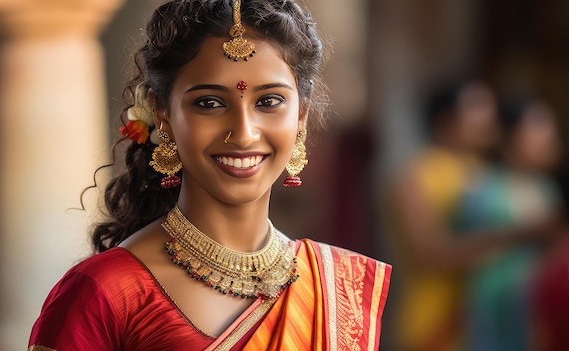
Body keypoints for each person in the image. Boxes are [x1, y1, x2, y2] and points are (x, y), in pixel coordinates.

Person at [28, 0, 391, 350]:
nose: (245, 133)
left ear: (301, 116)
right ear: (163, 114)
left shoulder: (337, 289)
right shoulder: (105, 292)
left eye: (268, 102)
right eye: (210, 103)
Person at [390, 81, 551, 351]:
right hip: (434, 322)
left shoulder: (487, 173)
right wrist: (518, 234)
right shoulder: (416, 176)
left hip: (484, 323)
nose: (487, 117)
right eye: (476, 107)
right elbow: (431, 253)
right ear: (444, 119)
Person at [454, 97, 562, 350]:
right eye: (537, 128)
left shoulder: (547, 190)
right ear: (509, 136)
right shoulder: (482, 187)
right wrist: (525, 233)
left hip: (535, 309)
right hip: (493, 308)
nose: (547, 138)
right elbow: (464, 250)